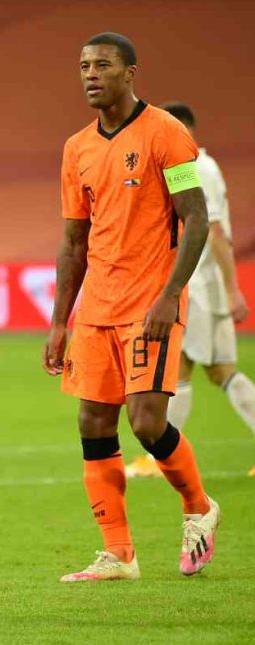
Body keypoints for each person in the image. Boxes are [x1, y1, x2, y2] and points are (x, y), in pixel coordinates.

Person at [44, 32, 220, 583]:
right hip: (97, 307)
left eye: (103, 65)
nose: (90, 74)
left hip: (150, 303)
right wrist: (59, 321)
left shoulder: (166, 132)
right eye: (84, 66)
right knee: (93, 422)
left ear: (130, 73)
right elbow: (73, 242)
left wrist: (170, 295)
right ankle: (118, 553)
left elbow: (197, 219)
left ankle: (198, 507)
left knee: (146, 423)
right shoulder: (77, 148)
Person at [125, 102, 255, 479]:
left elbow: (215, 231)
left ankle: (157, 459)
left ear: (183, 130)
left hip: (203, 289)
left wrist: (231, 290)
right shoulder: (185, 167)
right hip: (192, 287)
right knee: (196, 369)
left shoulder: (200, 168)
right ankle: (158, 458)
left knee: (209, 370)